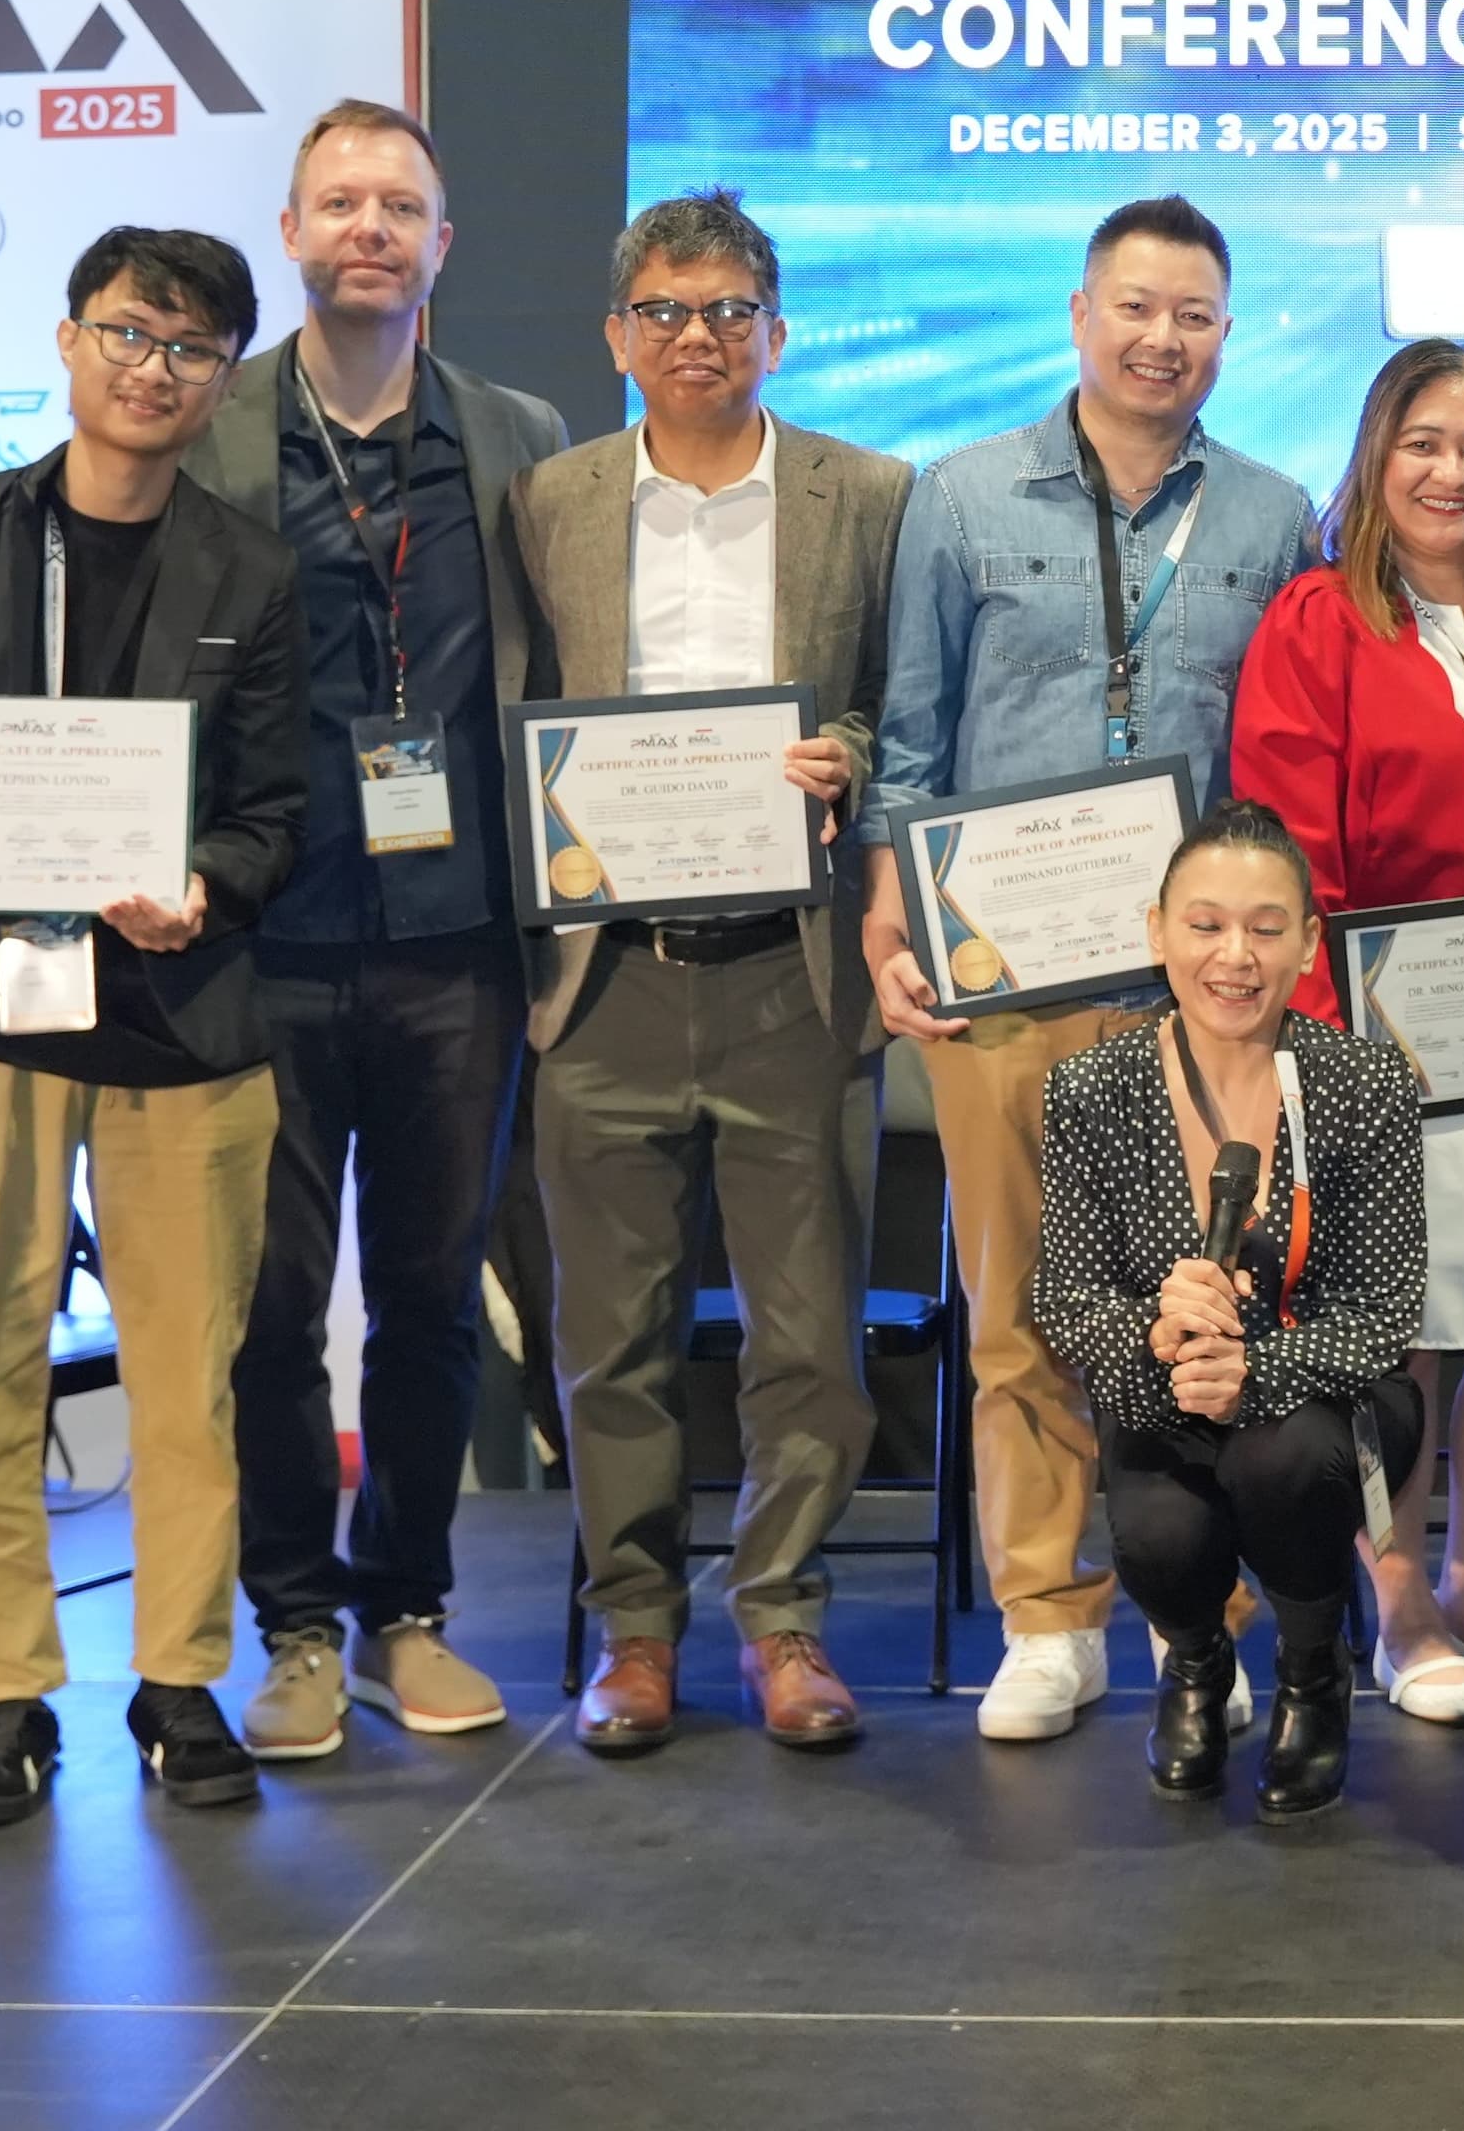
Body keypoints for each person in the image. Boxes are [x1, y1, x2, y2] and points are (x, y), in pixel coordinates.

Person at [0, 227, 306, 1828]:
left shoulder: (251, 565)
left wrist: (200, 886)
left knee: (189, 1378)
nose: (153, 369)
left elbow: (272, 812)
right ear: (69, 338)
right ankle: (4, 1697)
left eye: (189, 349)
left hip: (178, 1016)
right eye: (129, 334)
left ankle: (178, 1677)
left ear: (222, 377)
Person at [863, 197, 1323, 1746]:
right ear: (1078, 314)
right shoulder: (964, 495)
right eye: (1135, 308)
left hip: (1206, 1000)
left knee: (1214, 1319)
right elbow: (910, 739)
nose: (1160, 338)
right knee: (1021, 1321)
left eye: (1192, 314)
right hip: (1000, 981)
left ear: (1225, 333)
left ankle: (1211, 1623)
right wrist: (885, 912)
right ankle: (1046, 1618)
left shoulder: (1272, 515)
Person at [182, 100, 566, 1762]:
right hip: (255, 943)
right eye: (339, 200)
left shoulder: (521, 436)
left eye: (399, 204)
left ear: (439, 245)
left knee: (426, 1293)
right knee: (267, 1310)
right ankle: (291, 1626)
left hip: (456, 941)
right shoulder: (208, 433)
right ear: (290, 230)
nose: (368, 227)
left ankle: (406, 1606)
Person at [511, 189, 914, 1756]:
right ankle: (632, 1633)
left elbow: (901, 701)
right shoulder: (550, 499)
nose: (698, 336)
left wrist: (853, 758)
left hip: (788, 977)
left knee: (808, 1334)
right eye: (667, 310)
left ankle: (786, 1623)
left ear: (776, 330)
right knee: (611, 1334)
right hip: (606, 976)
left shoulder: (864, 496)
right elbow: (523, 713)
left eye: (729, 308)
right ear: (618, 337)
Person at [1230, 341, 1464, 1725]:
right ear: (1378, 457)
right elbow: (1288, 863)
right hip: (1392, 1057)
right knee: (1406, 1336)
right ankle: (1398, 1605)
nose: (1453, 471)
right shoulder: (1319, 621)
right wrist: (1332, 1065)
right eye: (1424, 442)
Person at [1031, 802, 1428, 1818]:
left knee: (1283, 1458)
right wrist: (1155, 1339)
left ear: (1308, 942)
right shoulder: (1091, 1089)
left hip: (1327, 1401)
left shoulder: (1364, 1081)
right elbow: (1068, 1297)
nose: (1235, 956)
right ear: (1157, 931)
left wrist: (1258, 1368)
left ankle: (1312, 1673)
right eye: (1206, 925)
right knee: (1158, 1534)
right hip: (1165, 1390)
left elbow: (1386, 1313)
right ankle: (1197, 1665)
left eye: (1265, 926)